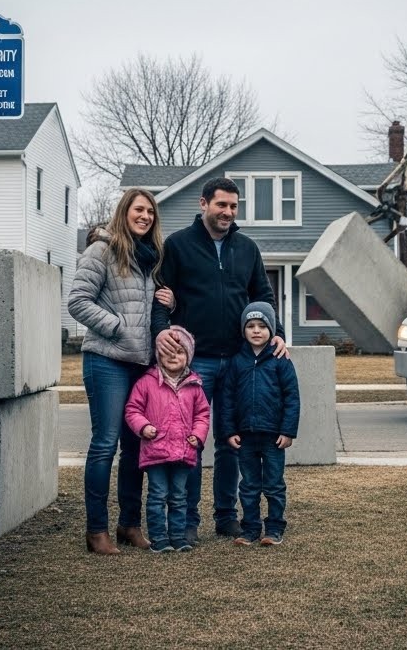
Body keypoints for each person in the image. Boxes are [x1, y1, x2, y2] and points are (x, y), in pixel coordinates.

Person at [152, 176, 288, 544]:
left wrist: (277, 334)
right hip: (195, 363)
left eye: (233, 206)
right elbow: (161, 297)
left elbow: (263, 295)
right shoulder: (178, 245)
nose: (228, 212)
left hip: (240, 362)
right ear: (203, 204)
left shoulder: (246, 248)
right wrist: (161, 334)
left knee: (231, 442)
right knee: (190, 441)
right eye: (221, 205)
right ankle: (188, 519)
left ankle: (226, 518)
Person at [68, 188, 174, 555]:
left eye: (150, 212)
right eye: (138, 210)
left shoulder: (152, 259)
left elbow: (152, 310)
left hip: (141, 365)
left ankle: (130, 524)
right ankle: (96, 531)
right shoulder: (102, 250)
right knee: (105, 444)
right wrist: (116, 326)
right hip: (107, 360)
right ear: (124, 212)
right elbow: (77, 302)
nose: (145, 216)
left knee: (136, 447)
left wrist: (170, 303)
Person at [218, 302, 300, 546]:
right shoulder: (236, 362)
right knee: (249, 485)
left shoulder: (280, 359)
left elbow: (292, 397)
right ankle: (250, 529)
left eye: (262, 326)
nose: (256, 331)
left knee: (274, 485)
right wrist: (230, 430)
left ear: (272, 330)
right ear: (243, 330)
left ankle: (274, 529)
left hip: (273, 436)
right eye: (251, 326)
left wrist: (287, 431)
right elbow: (227, 399)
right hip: (245, 437)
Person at [124, 325, 210, 553]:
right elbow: (132, 409)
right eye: (168, 351)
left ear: (188, 357)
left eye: (180, 352)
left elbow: (202, 414)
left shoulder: (194, 386)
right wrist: (143, 427)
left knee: (179, 496)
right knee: (157, 495)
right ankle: (159, 538)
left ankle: (178, 537)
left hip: (184, 452)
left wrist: (198, 435)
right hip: (156, 451)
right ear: (158, 354)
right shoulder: (146, 382)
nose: (174, 356)